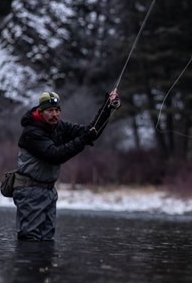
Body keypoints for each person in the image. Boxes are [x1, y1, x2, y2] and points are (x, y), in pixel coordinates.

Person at [13, 90, 119, 241]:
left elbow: (90, 131)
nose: (55, 114)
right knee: (31, 241)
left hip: (49, 191)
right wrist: (82, 141)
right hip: (30, 191)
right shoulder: (31, 132)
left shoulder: (58, 126)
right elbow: (55, 156)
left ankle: (43, 265)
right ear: (41, 111)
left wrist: (106, 109)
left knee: (47, 241)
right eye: (50, 110)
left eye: (57, 110)